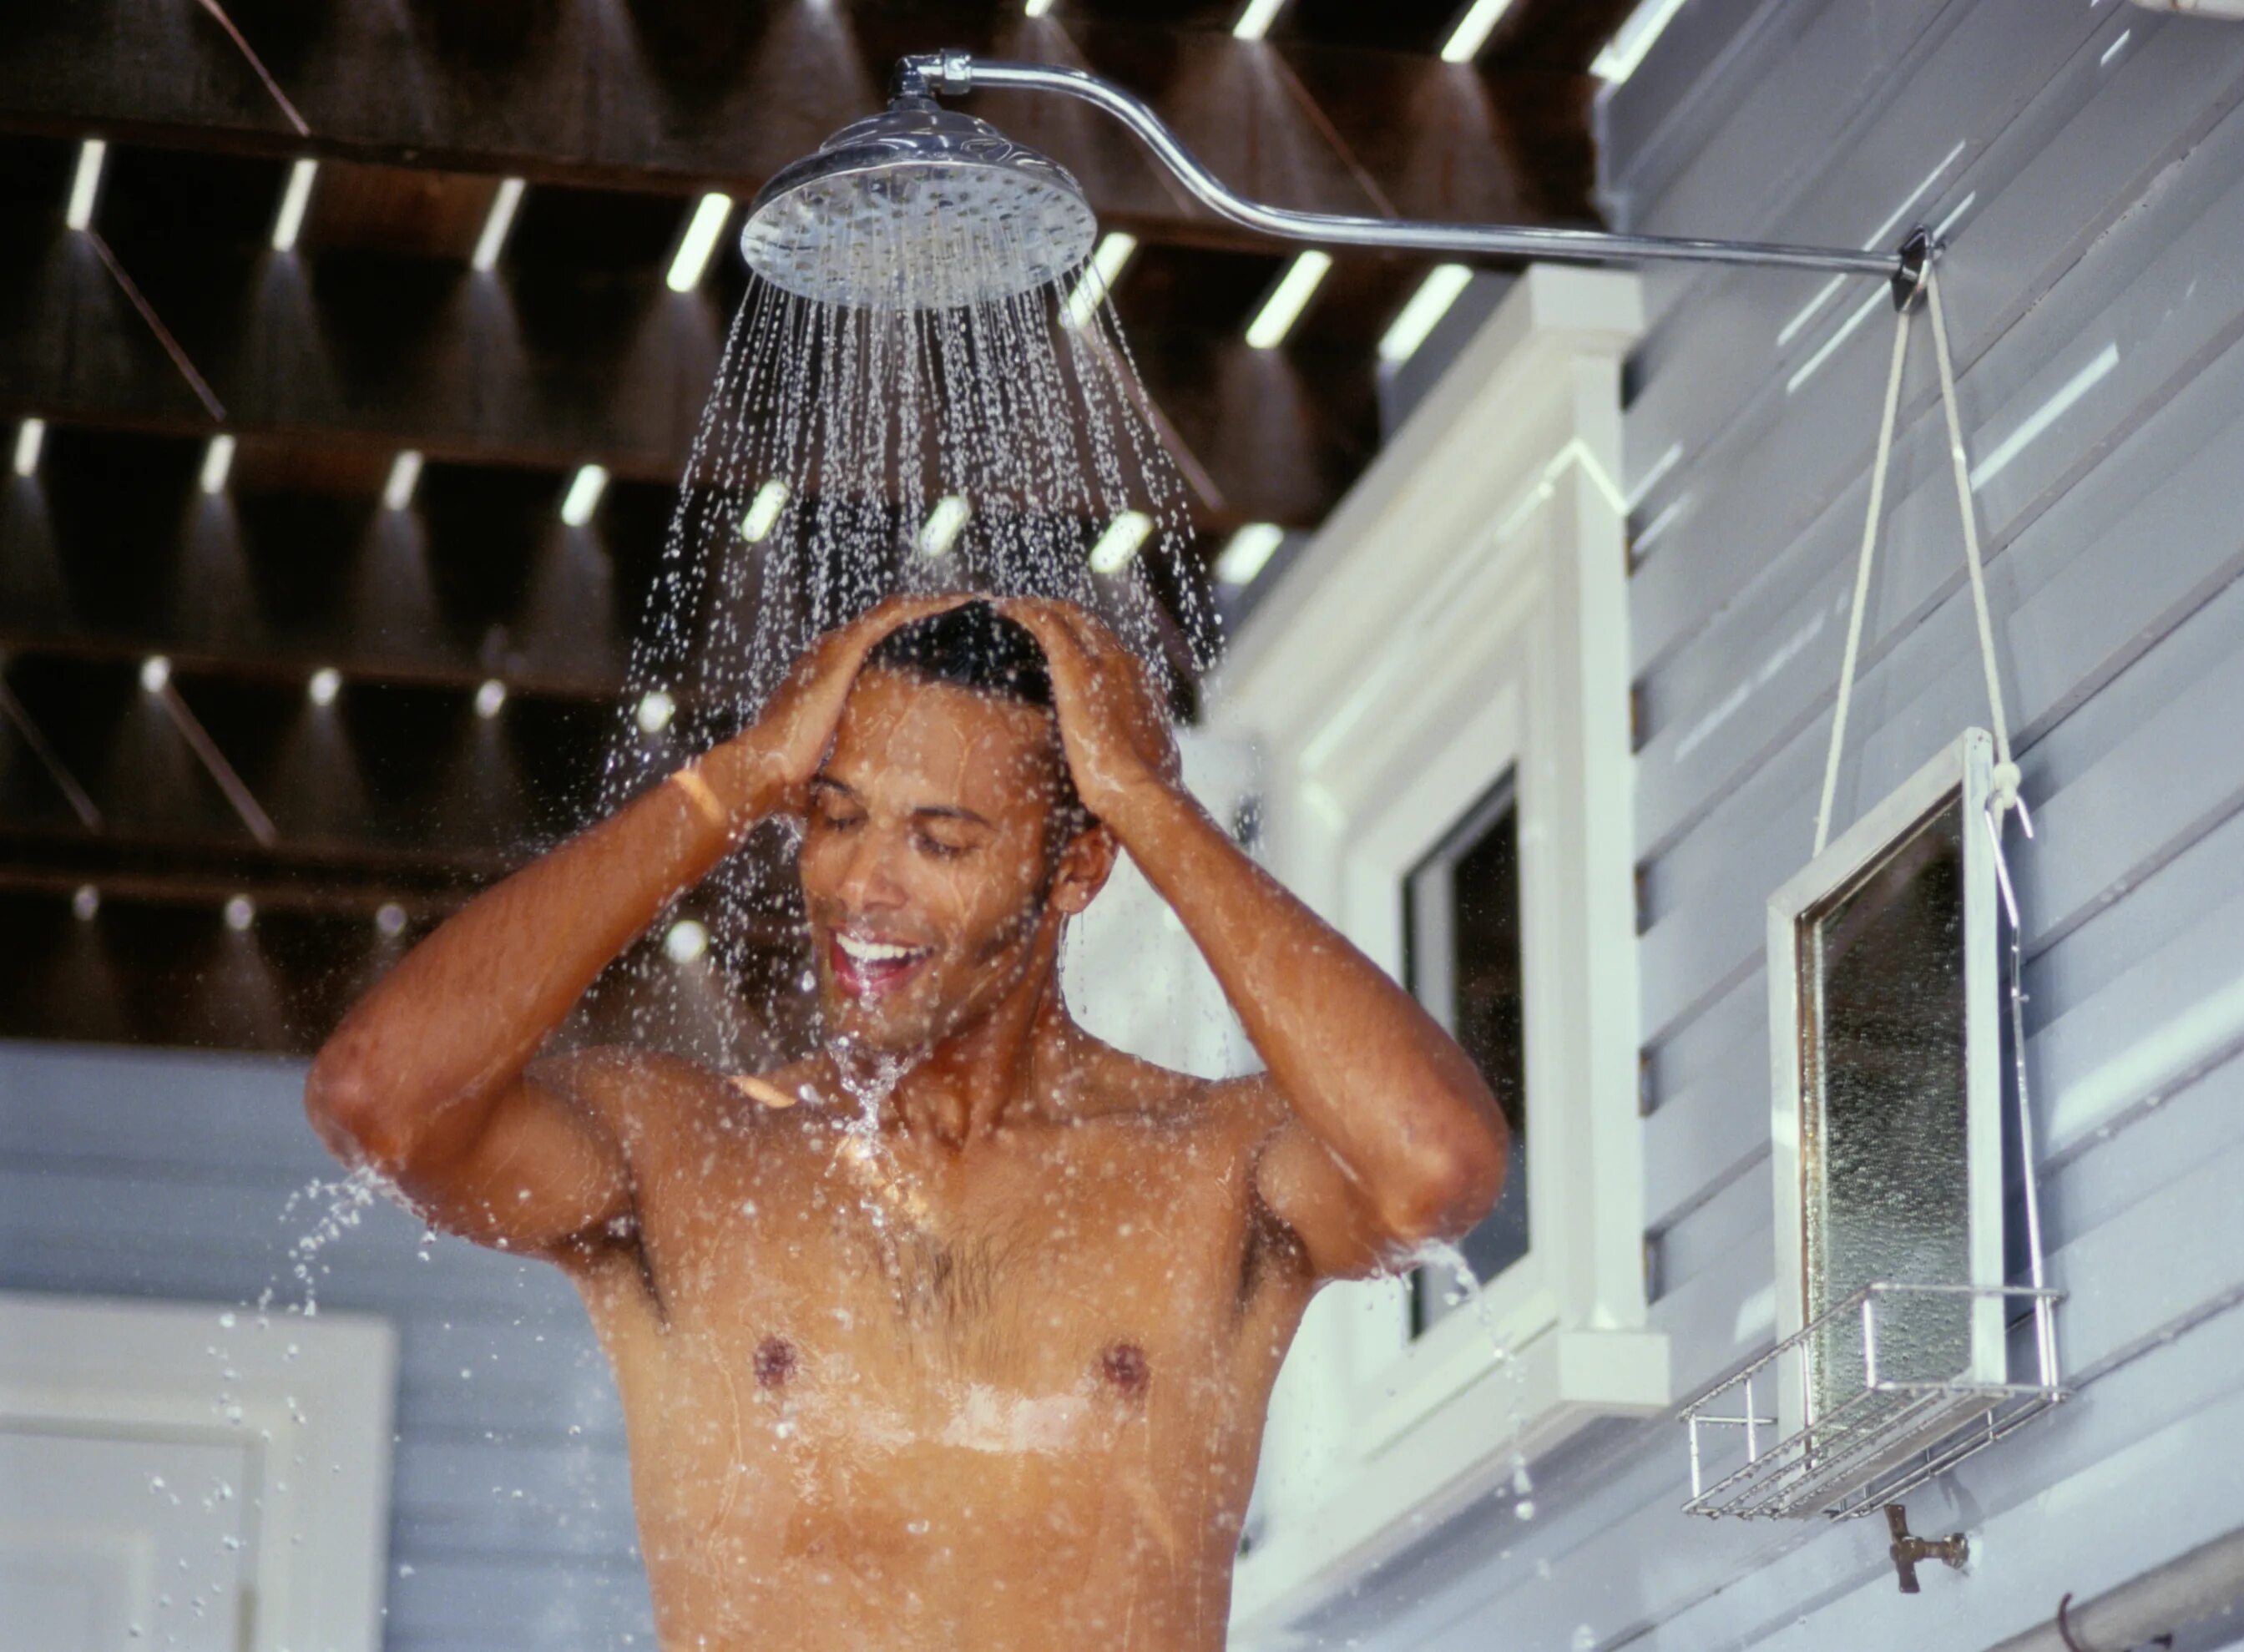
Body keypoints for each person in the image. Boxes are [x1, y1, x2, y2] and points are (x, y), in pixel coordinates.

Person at [305, 594, 1510, 1650]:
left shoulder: (1209, 1166)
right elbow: (383, 1103)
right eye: (835, 818)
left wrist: (1151, 805)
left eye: (941, 840)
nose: (862, 888)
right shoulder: (692, 1156)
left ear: (1078, 868)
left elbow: (1435, 1166)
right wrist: (733, 778)